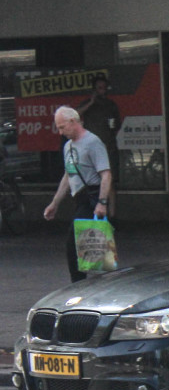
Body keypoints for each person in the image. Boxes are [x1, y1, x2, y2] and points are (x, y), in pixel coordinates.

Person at [43, 106, 113, 281]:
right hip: (80, 198)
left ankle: (79, 283)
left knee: (75, 245)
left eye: (62, 127)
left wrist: (102, 202)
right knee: (89, 246)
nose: (61, 132)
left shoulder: (92, 142)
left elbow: (106, 174)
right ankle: (89, 282)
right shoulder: (68, 146)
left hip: (92, 197)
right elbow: (68, 176)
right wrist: (55, 203)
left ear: (73, 122)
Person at [77, 76, 122, 216]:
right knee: (90, 182)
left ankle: (112, 216)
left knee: (110, 181)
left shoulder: (111, 105)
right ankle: (92, 213)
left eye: (104, 88)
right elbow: (76, 115)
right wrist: (91, 102)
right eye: (99, 88)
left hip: (107, 146)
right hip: (90, 149)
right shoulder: (88, 103)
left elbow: (117, 124)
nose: (102, 91)